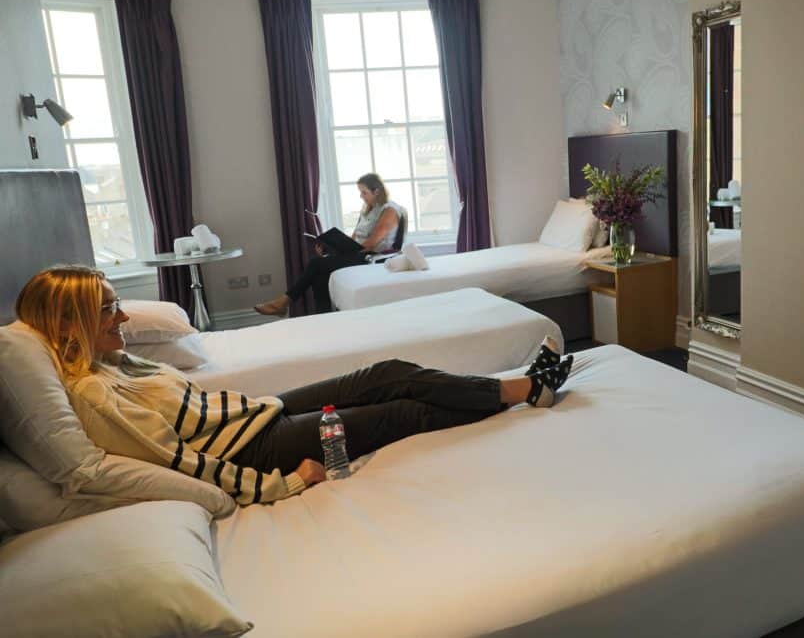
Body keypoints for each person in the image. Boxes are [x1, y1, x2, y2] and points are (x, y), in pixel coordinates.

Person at [17, 266, 573, 505]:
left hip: (255, 414)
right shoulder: (93, 395)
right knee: (402, 411)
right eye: (109, 309)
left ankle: (511, 389)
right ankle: (522, 392)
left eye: (118, 305)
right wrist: (280, 486)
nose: (123, 319)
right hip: (256, 448)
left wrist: (262, 407)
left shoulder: (111, 365)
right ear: (67, 324)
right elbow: (177, 462)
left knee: (384, 373)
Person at [255, 173, 403, 316]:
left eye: (364, 192)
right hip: (358, 253)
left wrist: (342, 251)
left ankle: (284, 302)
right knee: (320, 272)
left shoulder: (390, 210)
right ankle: (323, 317)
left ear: (376, 191)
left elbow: (371, 244)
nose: (361, 196)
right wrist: (331, 248)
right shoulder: (367, 211)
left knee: (316, 264)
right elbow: (353, 240)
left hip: (372, 257)